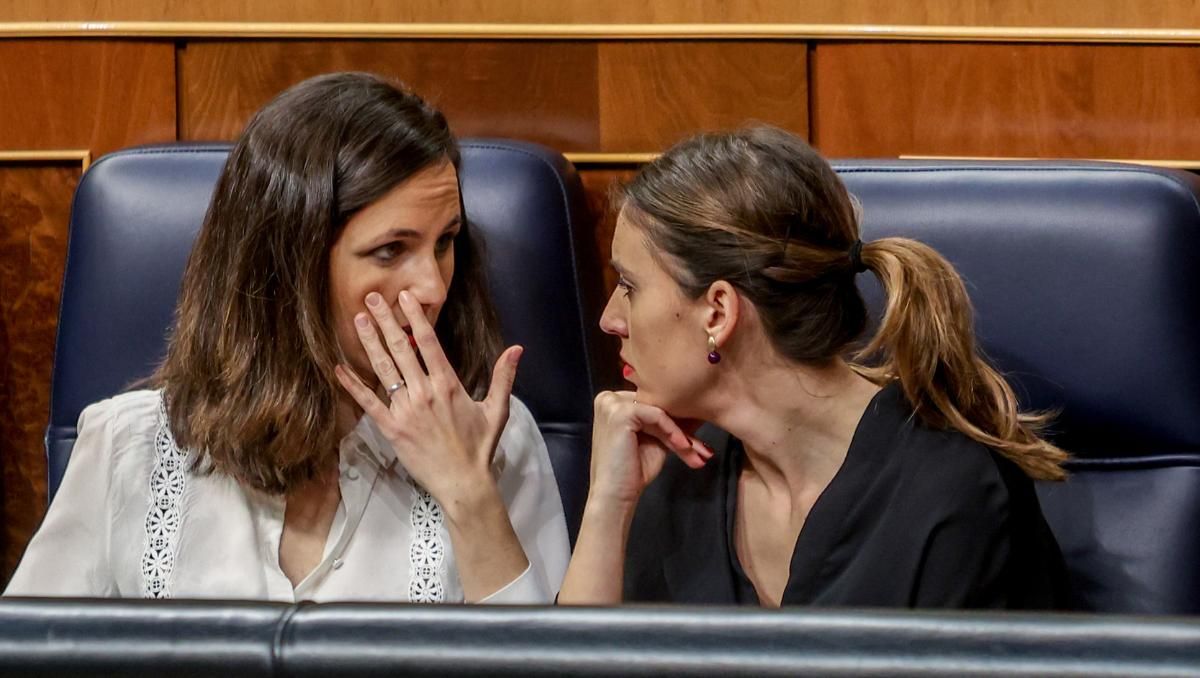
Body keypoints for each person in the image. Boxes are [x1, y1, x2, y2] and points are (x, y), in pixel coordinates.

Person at [6, 72, 569, 603]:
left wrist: (469, 494)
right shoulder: (126, 446)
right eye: (390, 250)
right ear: (287, 268)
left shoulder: (497, 438)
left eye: (446, 242)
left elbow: (539, 663)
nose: (431, 287)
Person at [558, 126, 1073, 609]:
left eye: (629, 287)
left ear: (717, 311)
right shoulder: (673, 469)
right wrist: (607, 506)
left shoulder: (949, 494)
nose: (609, 320)